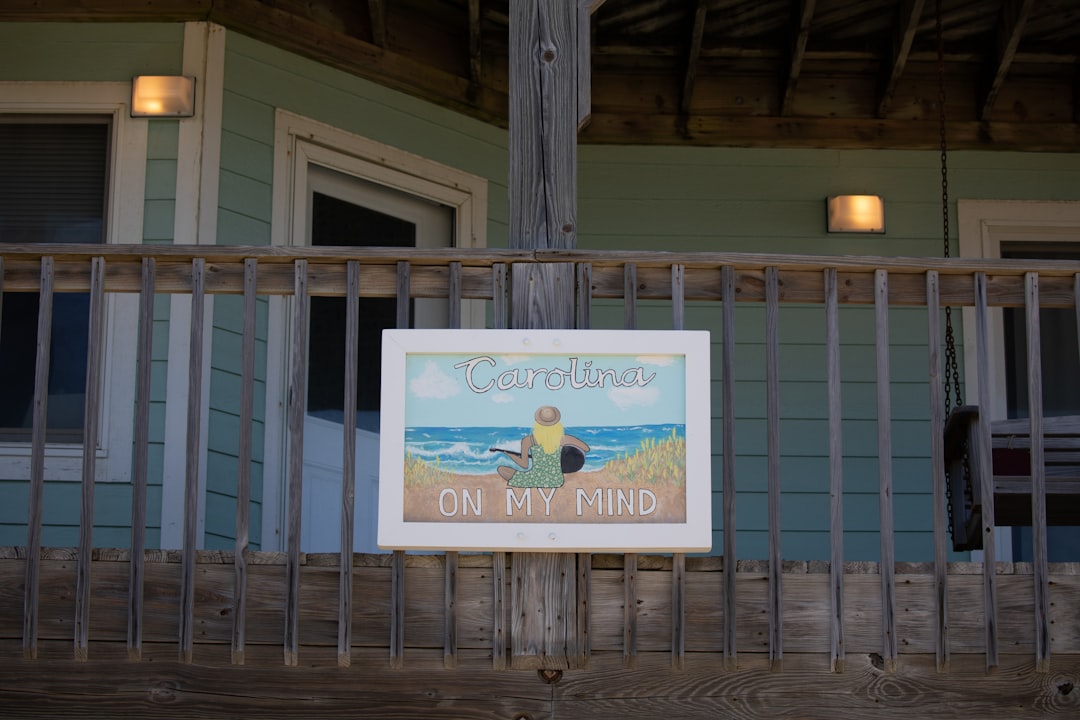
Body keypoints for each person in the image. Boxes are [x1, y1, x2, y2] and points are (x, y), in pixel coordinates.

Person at [496, 406, 589, 488]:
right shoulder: (563, 439)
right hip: (556, 481)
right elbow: (586, 448)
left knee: (501, 469)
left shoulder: (528, 440)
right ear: (557, 424)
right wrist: (565, 453)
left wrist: (509, 454)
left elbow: (524, 465)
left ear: (538, 423)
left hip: (534, 479)